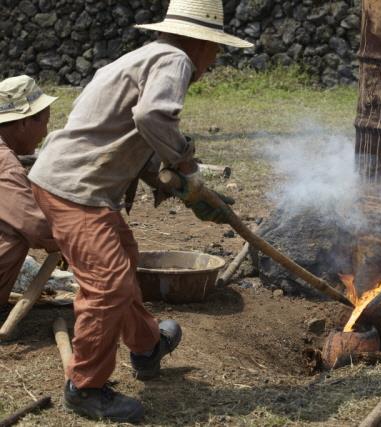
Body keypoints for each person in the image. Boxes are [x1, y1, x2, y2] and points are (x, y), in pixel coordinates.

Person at [28, 0, 253, 423]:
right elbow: (151, 116)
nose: (214, 60)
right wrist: (185, 164)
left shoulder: (137, 58)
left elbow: (120, 129)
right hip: (77, 190)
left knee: (122, 266)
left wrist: (166, 175)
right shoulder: (174, 59)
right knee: (108, 286)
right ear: (201, 43)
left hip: (72, 183)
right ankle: (86, 387)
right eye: (216, 50)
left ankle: (148, 346)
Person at [0, 75, 58, 313]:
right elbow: (37, 227)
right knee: (15, 232)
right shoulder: (5, 165)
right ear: (23, 122)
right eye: (43, 122)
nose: (45, 132)